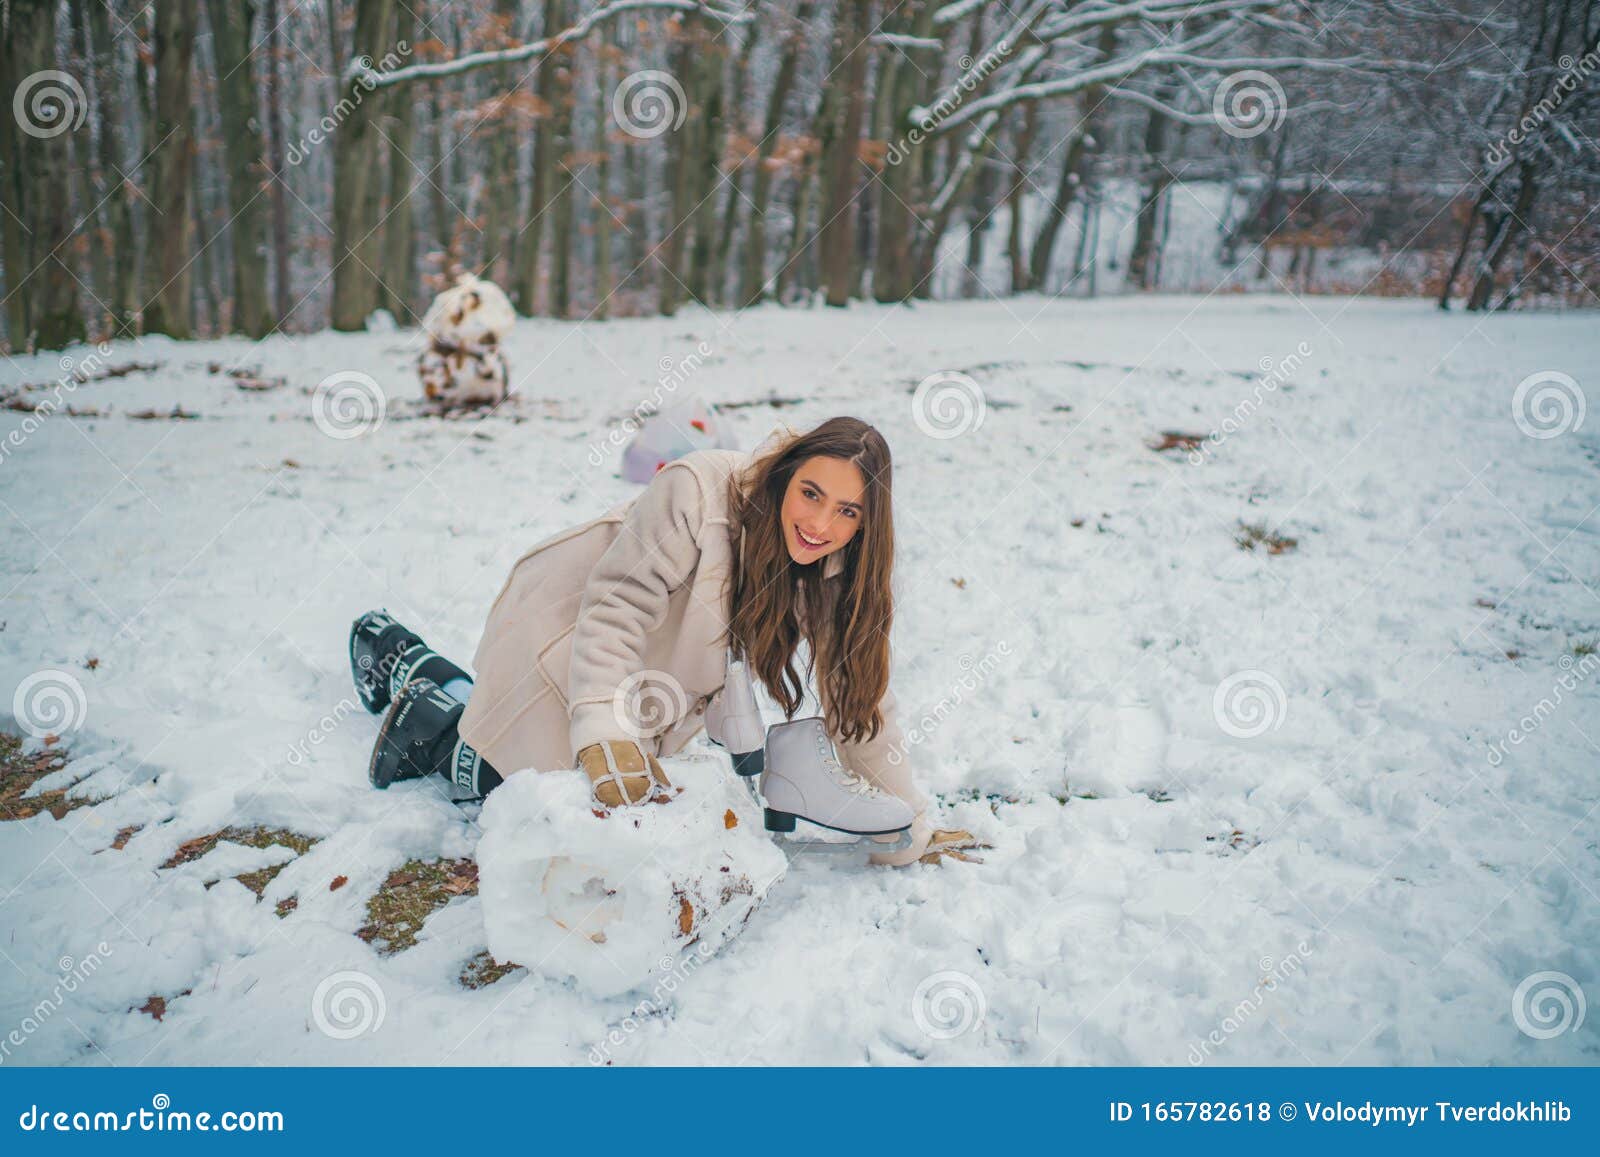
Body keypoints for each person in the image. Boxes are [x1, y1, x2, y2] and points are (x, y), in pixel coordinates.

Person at [348, 416, 980, 867]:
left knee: (622, 812)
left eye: (848, 511)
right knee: (521, 793)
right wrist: (601, 729)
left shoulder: (836, 569)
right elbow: (616, 610)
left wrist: (908, 819)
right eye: (811, 494)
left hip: (643, 672)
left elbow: (861, 696)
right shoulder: (698, 492)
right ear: (787, 476)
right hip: (562, 629)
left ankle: (444, 686)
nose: (820, 523)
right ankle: (429, 708)